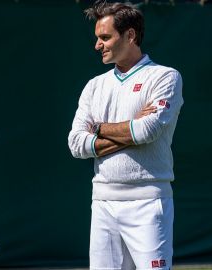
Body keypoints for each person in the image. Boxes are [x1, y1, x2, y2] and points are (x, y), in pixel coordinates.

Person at [68, 1, 183, 270]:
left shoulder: (165, 77)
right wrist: (129, 130)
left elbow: (148, 130)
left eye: (105, 37)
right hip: (103, 203)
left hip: (149, 202)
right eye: (98, 38)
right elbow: (76, 143)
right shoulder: (94, 85)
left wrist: (98, 129)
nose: (98, 45)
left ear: (130, 35)